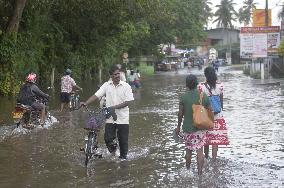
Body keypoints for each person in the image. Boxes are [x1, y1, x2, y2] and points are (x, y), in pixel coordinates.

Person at [81, 65, 134, 160]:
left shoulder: (126, 86)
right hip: (110, 118)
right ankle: (114, 152)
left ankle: (123, 161)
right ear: (111, 76)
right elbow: (96, 95)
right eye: (115, 74)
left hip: (123, 118)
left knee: (123, 142)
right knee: (107, 139)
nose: (117, 76)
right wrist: (86, 102)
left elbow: (128, 102)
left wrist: (114, 107)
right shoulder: (106, 85)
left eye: (118, 73)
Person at [175, 74, 210, 175]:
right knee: (200, 151)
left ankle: (187, 171)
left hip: (187, 129)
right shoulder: (202, 95)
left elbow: (180, 114)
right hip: (200, 128)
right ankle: (200, 174)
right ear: (196, 83)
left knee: (188, 151)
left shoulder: (183, 97)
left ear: (187, 84)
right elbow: (209, 109)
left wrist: (178, 126)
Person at [198, 66, 229, 160]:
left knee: (206, 138)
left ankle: (206, 158)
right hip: (218, 116)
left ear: (205, 75)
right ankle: (214, 160)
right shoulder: (220, 86)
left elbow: (200, 102)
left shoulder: (201, 87)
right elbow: (221, 102)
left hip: (206, 116)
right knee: (215, 140)